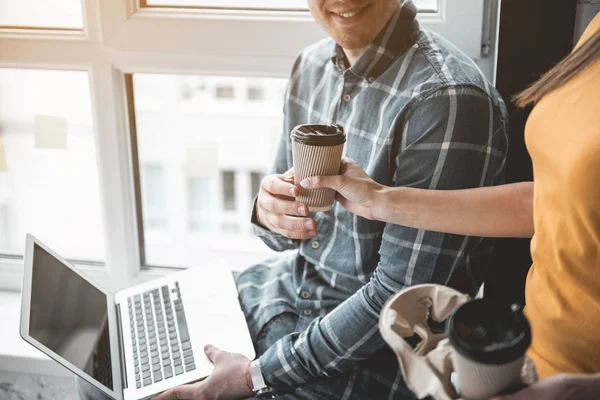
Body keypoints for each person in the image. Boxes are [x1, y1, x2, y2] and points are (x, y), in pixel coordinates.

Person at [78, 0, 509, 399]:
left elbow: (403, 310)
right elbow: (286, 235)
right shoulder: (313, 65)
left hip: (371, 356)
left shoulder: (447, 101)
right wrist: (269, 215)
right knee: (109, 362)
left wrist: (252, 376)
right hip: (287, 294)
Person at [301, 11, 600, 399]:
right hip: (523, 353)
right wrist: (379, 200)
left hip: (579, 374)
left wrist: (583, 389)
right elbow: (555, 201)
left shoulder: (446, 93)